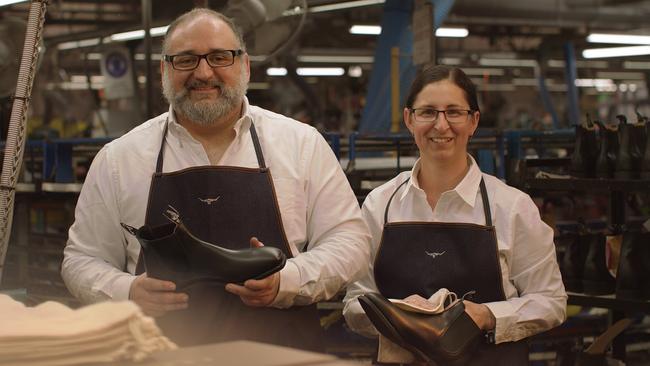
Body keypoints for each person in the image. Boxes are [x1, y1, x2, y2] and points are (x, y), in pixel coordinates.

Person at [62, 8, 370, 351]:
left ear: (245, 65)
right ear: (164, 69)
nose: (203, 72)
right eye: (185, 60)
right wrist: (127, 291)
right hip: (160, 354)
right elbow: (81, 260)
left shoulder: (301, 145)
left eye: (219, 57)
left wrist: (288, 281)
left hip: (282, 354)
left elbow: (350, 242)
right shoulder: (120, 158)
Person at [343, 64, 567, 364]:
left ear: (474, 121)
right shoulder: (380, 204)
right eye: (428, 112)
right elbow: (355, 303)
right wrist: (397, 313)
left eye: (454, 112)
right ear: (409, 119)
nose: (441, 125)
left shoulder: (511, 207)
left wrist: (487, 315)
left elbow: (552, 302)